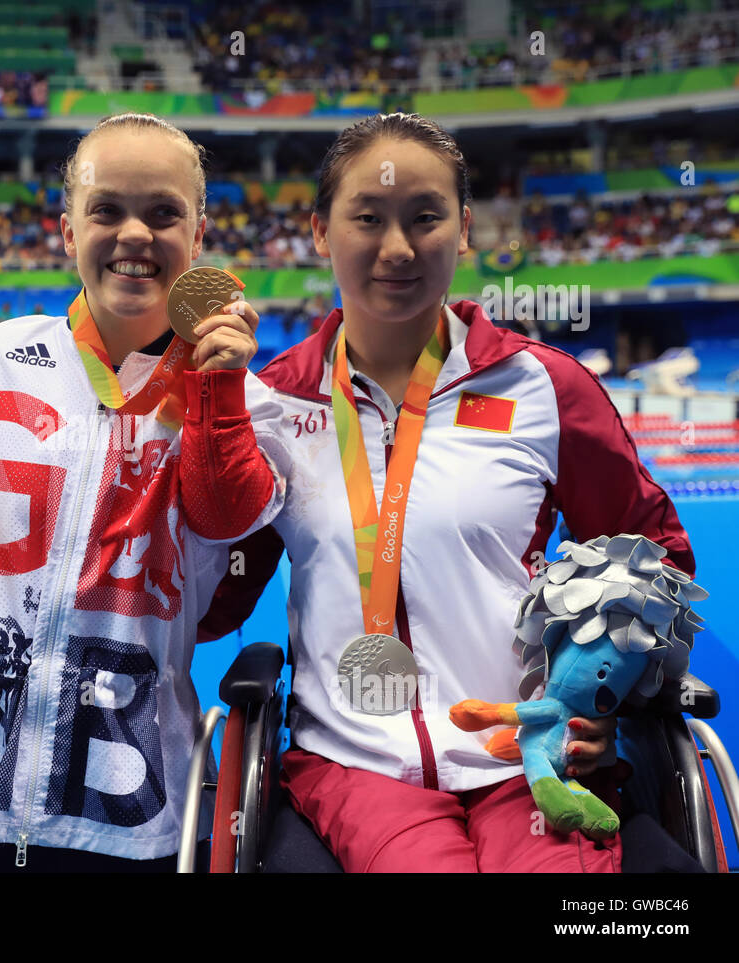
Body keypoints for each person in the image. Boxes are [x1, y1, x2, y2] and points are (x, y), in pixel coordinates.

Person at [197, 112, 694, 873]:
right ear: (320, 232)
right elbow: (217, 600)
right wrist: (205, 420)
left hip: (526, 755)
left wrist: (610, 696)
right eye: (367, 218)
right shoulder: (274, 403)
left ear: (463, 230)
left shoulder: (543, 386)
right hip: (353, 764)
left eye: (425, 218)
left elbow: (656, 559)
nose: (397, 248)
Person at [0, 112, 289, 871]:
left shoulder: (240, 400)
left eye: (164, 212)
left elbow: (224, 512)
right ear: (67, 231)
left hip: (126, 810)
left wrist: (217, 390)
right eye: (106, 209)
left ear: (198, 236)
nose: (135, 232)